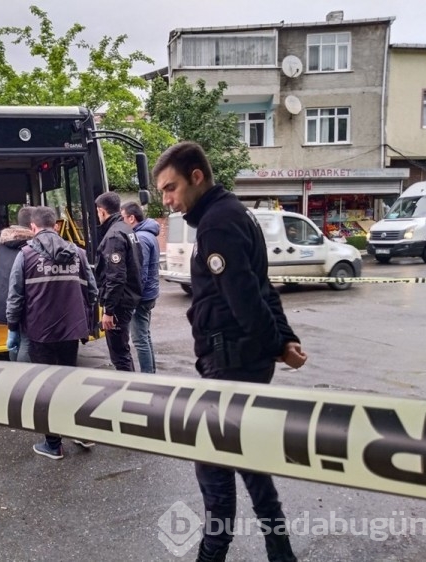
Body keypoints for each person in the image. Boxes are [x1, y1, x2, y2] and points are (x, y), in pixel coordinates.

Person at [153, 141, 308, 562]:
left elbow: (244, 298)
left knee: (213, 467)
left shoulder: (217, 224)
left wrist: (278, 343)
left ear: (196, 177)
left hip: (231, 363)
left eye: (171, 188)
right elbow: (263, 287)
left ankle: (212, 555)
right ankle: (281, 553)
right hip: (236, 360)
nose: (167, 200)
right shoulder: (236, 213)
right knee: (250, 459)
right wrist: (283, 337)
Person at [6, 206, 98, 460]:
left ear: (33, 228)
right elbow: (93, 292)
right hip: (71, 332)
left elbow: (15, 297)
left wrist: (13, 328)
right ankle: (81, 431)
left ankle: (53, 444)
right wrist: (84, 320)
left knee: (45, 388)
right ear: (56, 226)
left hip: (39, 332)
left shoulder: (25, 255)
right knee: (69, 382)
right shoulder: (78, 253)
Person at [94, 192, 143, 372]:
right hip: (128, 298)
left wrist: (109, 310)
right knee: (123, 351)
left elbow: (115, 277)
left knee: (119, 355)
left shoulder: (114, 235)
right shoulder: (127, 229)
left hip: (119, 303)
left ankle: (128, 391)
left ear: (101, 211)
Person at [0, 206, 35, 362]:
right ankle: (23, 377)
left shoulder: (3, 244)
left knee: (15, 340)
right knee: (26, 341)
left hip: (3, 303)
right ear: (33, 224)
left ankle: (14, 372)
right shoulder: (29, 246)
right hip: (21, 302)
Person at [120, 201, 160, 373]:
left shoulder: (141, 238)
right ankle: (151, 372)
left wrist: (133, 298)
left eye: (123, 218)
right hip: (149, 293)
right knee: (145, 335)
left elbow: (139, 272)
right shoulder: (148, 234)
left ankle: (147, 376)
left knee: (139, 339)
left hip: (142, 296)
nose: (121, 223)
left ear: (131, 218)